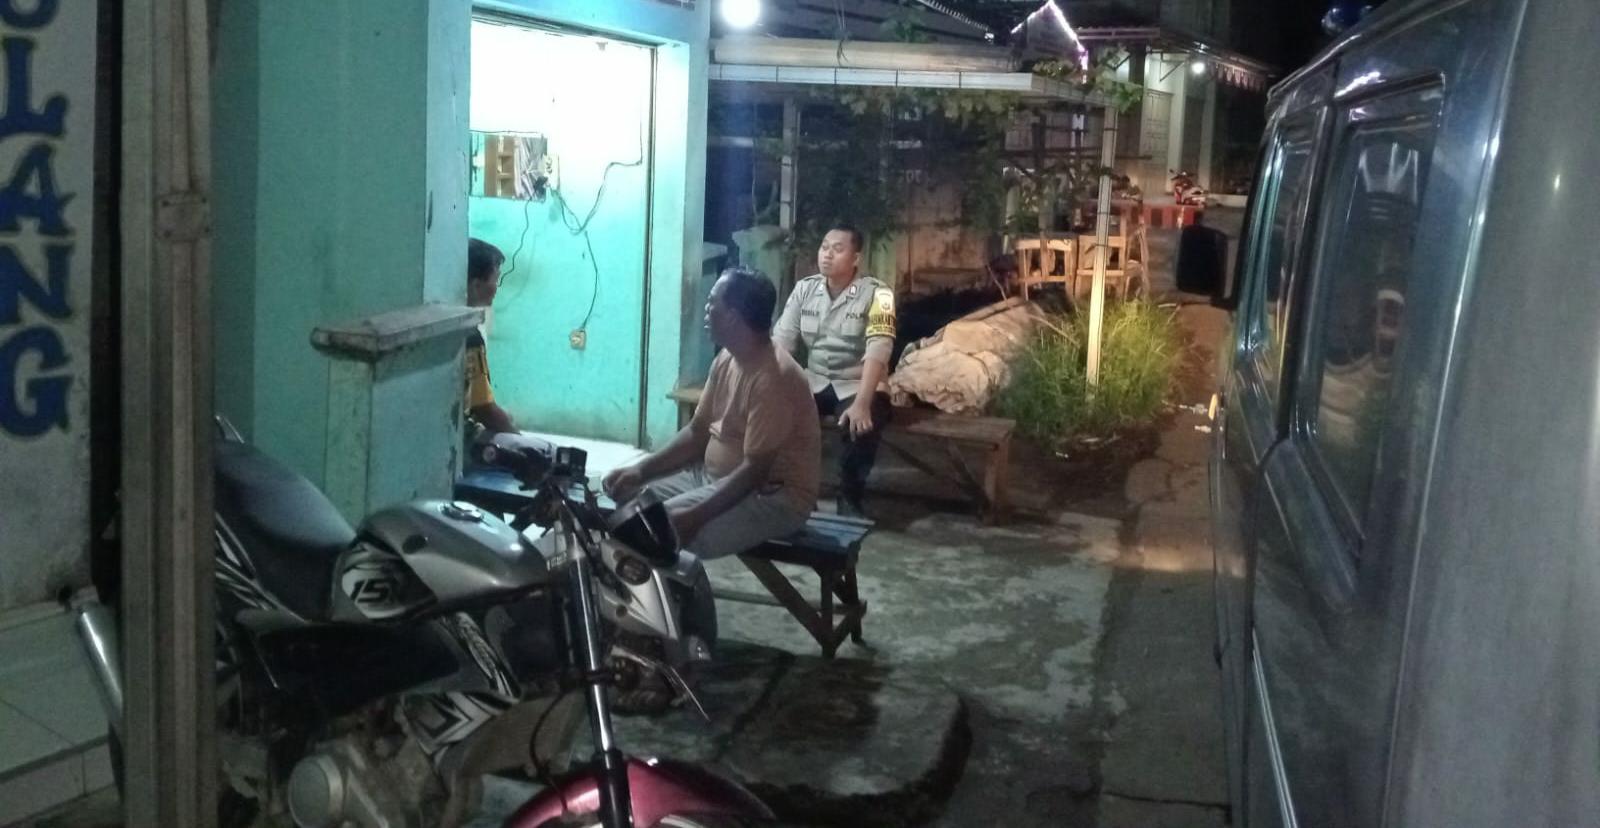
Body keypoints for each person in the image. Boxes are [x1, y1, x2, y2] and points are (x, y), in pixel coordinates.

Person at [603, 267, 819, 559]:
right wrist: (640, 470)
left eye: (712, 301)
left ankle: (675, 589)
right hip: (712, 478)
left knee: (658, 530)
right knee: (628, 499)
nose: (706, 308)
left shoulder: (773, 378)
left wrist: (694, 516)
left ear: (732, 316)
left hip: (773, 499)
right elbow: (697, 432)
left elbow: (754, 473)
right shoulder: (727, 358)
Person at [773, 223, 895, 516]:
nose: (827, 255)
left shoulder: (880, 295)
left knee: (860, 425)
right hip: (814, 379)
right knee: (776, 415)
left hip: (859, 382)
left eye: (838, 249)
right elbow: (782, 342)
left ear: (856, 258)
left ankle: (849, 499)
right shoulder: (805, 289)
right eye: (824, 247)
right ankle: (797, 493)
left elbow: (879, 348)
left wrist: (862, 403)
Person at [465, 238, 517, 436]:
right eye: (495, 279)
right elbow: (484, 409)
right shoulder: (469, 337)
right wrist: (522, 442)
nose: (497, 287)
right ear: (476, 285)